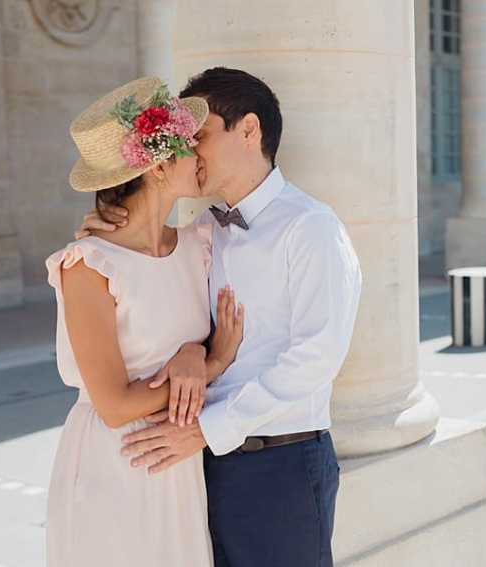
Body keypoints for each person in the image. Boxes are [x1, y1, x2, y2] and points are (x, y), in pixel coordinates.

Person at [78, 68, 363, 567]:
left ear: (248, 131)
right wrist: (193, 350)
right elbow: (171, 307)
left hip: (279, 465)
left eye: (199, 135)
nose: (188, 150)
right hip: (199, 469)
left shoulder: (311, 227)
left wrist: (211, 428)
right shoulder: (202, 232)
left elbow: (318, 356)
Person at [45, 77, 245, 567]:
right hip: (117, 460)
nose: (198, 151)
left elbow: (186, 340)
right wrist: (215, 361)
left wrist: (195, 352)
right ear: (157, 167)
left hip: (178, 463)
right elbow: (114, 405)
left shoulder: (198, 244)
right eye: (184, 144)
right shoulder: (89, 265)